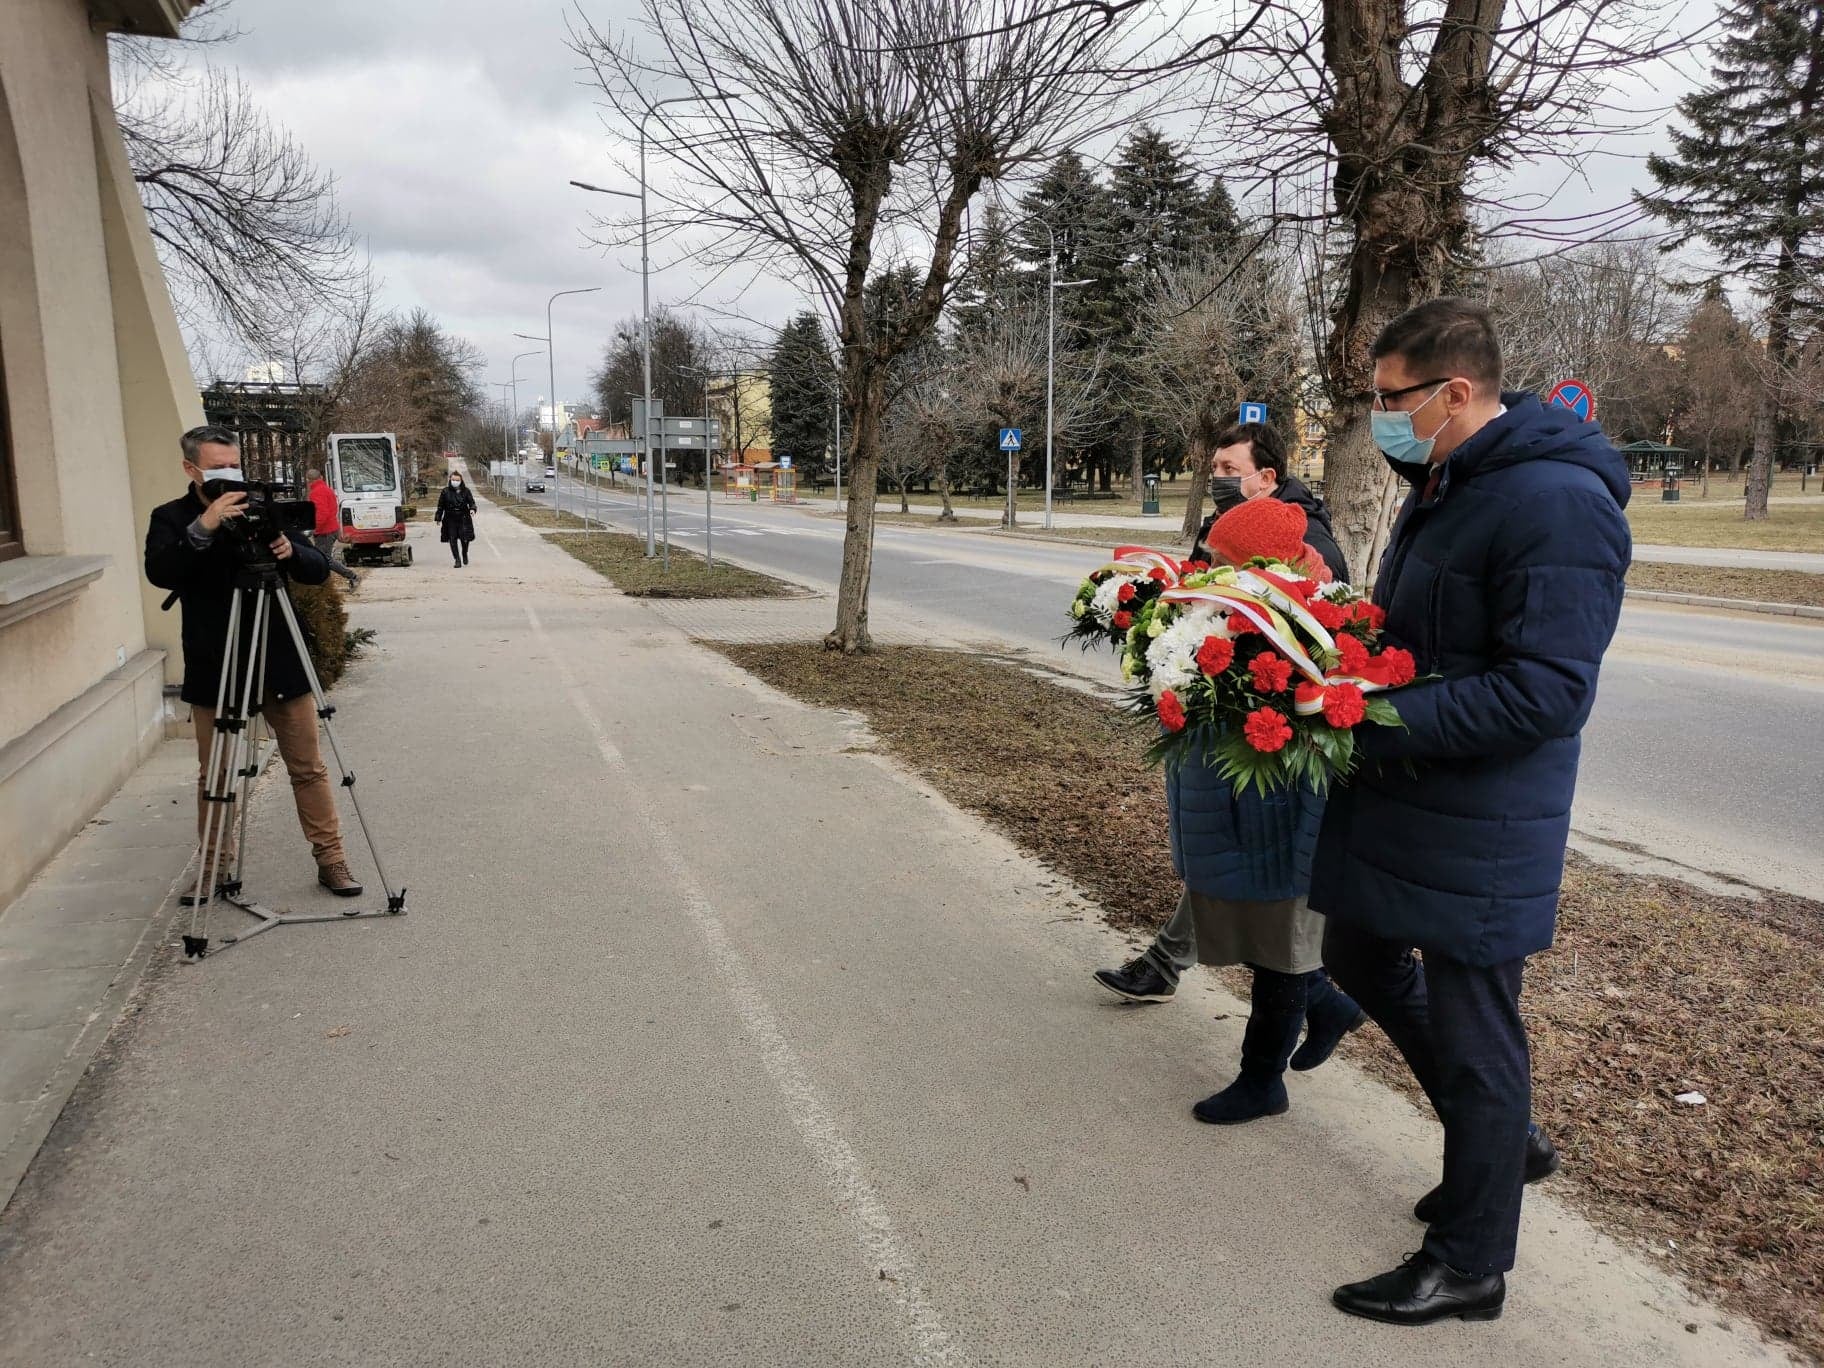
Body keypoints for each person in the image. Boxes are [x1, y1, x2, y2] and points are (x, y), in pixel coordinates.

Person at [1312, 298, 1629, 1325]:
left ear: (1456, 392)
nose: (1380, 418)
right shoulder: (1449, 477)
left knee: (1479, 1030)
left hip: (1484, 819)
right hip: (1412, 789)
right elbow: (1432, 629)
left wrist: (1374, 710)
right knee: (1356, 957)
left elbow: (1546, 692)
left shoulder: (1556, 503)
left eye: (1392, 398)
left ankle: (1471, 1260)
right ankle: (1503, 1141)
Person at [1096, 424, 1363, 1087]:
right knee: (1238, 897)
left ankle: (1264, 1068)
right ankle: (1309, 1015)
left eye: (1227, 465)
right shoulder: (1234, 527)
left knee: (1270, 920)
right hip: (1233, 769)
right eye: (1212, 465)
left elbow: (1307, 654)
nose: (1216, 476)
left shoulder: (1303, 547)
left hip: (1271, 772)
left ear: (1265, 475)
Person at [144, 425, 364, 902]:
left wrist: (290, 549)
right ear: (191, 468)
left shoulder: (261, 509)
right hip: (216, 659)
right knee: (216, 774)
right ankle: (214, 867)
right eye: (218, 466)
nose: (229, 475)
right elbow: (161, 571)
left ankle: (332, 860)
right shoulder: (172, 517)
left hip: (279, 657)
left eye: (234, 464)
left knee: (307, 766)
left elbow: (314, 567)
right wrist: (204, 526)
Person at [305, 467, 360, 589]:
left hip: (324, 532)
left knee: (325, 560)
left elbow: (322, 514)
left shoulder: (316, 492)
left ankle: (352, 576)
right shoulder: (327, 489)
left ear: (309, 480)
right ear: (321, 478)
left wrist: (314, 529)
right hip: (331, 528)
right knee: (324, 559)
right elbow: (333, 509)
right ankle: (326, 584)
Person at [435, 470, 477, 567]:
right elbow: (440, 505)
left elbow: (471, 502)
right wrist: (438, 517)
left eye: (457, 480)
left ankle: (464, 553)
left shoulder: (466, 491)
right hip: (450, 518)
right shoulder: (445, 491)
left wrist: (472, 509)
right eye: (453, 479)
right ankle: (457, 559)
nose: (455, 481)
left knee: (465, 539)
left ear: (461, 480)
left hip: (463, 517)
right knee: (452, 539)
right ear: (450, 479)